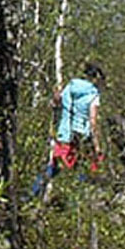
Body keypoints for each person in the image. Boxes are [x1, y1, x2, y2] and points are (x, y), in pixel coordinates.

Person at [33, 62, 104, 198]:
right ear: (95, 78)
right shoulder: (93, 95)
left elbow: (56, 102)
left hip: (64, 133)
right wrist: (97, 146)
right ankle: (78, 202)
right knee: (83, 169)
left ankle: (32, 195)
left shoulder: (70, 86)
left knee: (53, 167)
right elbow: (93, 121)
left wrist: (56, 95)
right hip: (80, 137)